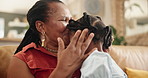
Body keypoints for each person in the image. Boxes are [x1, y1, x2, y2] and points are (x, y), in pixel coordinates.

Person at [7, 0, 94, 78]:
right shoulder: (22, 61)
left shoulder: (81, 52)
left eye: (71, 20)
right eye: (64, 20)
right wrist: (62, 70)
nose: (71, 25)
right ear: (41, 26)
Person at [67, 13, 128, 78]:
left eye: (71, 41)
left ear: (84, 37)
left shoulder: (95, 61)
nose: (70, 46)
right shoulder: (102, 58)